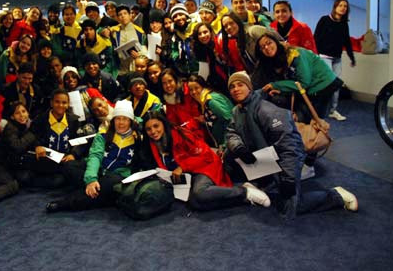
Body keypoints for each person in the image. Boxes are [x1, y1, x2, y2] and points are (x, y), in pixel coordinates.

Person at [223, 72, 358, 220]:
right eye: (232, 87)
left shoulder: (266, 110)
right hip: (264, 160)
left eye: (240, 85)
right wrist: (239, 148)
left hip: (284, 159)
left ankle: (336, 195)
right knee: (233, 159)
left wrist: (289, 178)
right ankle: (265, 183)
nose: (236, 89)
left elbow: (290, 147)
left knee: (290, 208)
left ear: (249, 87)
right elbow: (231, 133)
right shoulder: (237, 111)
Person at [140, 111, 271, 211]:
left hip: (205, 166)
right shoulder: (150, 145)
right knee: (195, 203)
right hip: (188, 177)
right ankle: (243, 197)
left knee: (200, 193)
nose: (153, 131)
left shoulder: (181, 134)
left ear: (164, 123)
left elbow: (206, 156)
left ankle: (244, 192)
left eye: (156, 126)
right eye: (148, 129)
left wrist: (182, 167)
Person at [45, 100, 141, 213]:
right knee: (69, 166)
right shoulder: (103, 135)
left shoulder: (138, 138)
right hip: (99, 171)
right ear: (113, 120)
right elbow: (95, 156)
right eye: (118, 118)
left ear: (130, 121)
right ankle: (99, 192)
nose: (120, 123)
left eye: (125, 119)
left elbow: (145, 121)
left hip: (116, 176)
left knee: (109, 184)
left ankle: (65, 203)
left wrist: (139, 126)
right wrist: (91, 179)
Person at [252, 32, 342, 122]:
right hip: (309, 89)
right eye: (262, 47)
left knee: (314, 121)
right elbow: (292, 79)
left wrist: (275, 85)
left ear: (276, 42)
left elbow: (303, 83)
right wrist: (281, 88)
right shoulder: (277, 58)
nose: (267, 48)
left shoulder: (296, 54)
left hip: (322, 86)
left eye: (269, 43)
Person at [28, 89, 85, 188]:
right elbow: (32, 135)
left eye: (64, 103)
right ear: (51, 103)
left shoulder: (74, 120)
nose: (60, 105)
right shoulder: (40, 119)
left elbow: (80, 140)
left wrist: (73, 154)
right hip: (46, 158)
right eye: (57, 102)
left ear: (68, 104)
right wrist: (37, 146)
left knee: (59, 181)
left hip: (64, 159)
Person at [314, 0, 356, 121]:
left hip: (337, 58)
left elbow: (347, 41)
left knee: (336, 85)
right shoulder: (324, 20)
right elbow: (316, 38)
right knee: (326, 84)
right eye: (340, 5)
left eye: (345, 6)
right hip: (324, 57)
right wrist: (316, 55)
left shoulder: (344, 24)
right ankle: (319, 111)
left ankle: (333, 110)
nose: (343, 8)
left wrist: (351, 57)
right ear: (335, 7)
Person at [186, 75, 233, 150]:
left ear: (203, 87)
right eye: (191, 90)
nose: (193, 92)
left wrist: (224, 145)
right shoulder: (204, 101)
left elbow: (229, 119)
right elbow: (217, 120)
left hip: (230, 142)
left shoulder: (210, 100)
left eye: (196, 88)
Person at [160, 69, 205, 141]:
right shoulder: (167, 98)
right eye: (164, 83)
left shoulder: (188, 92)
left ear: (175, 80)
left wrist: (185, 129)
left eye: (170, 81)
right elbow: (172, 121)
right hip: (182, 134)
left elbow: (197, 116)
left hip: (196, 132)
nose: (168, 85)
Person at [163, 3, 198, 77]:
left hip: (199, 73)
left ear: (186, 15)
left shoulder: (196, 30)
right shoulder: (174, 36)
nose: (178, 18)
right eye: (175, 16)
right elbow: (174, 55)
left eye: (181, 14)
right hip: (183, 75)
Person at [110, 4, 146, 75]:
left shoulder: (140, 32)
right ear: (117, 18)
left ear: (130, 15)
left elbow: (145, 50)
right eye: (120, 14)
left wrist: (139, 56)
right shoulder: (114, 32)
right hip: (122, 71)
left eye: (125, 13)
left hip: (137, 70)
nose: (123, 16)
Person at [192, 22, 227, 92]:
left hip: (226, 78)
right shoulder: (199, 50)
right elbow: (204, 71)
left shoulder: (219, 44)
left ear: (210, 32)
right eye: (199, 34)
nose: (203, 36)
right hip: (214, 84)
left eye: (205, 32)